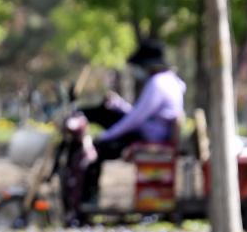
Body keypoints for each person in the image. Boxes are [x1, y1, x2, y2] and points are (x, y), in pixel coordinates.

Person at [75, 40, 186, 218]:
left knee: (98, 146)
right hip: (153, 130)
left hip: (151, 136)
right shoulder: (170, 81)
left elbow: (135, 119)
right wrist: (120, 105)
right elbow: (141, 113)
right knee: (110, 110)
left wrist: (106, 136)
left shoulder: (157, 83)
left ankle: (87, 198)